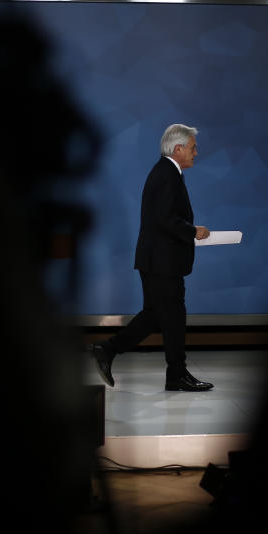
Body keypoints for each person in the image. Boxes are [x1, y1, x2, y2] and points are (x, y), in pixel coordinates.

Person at [90, 123, 214, 392]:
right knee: (172, 316)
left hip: (158, 260)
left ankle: (111, 351)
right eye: (193, 148)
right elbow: (166, 219)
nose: (196, 152)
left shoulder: (166, 172)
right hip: (162, 262)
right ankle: (174, 373)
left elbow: (164, 218)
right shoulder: (167, 174)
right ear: (178, 148)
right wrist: (193, 231)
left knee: (157, 316)